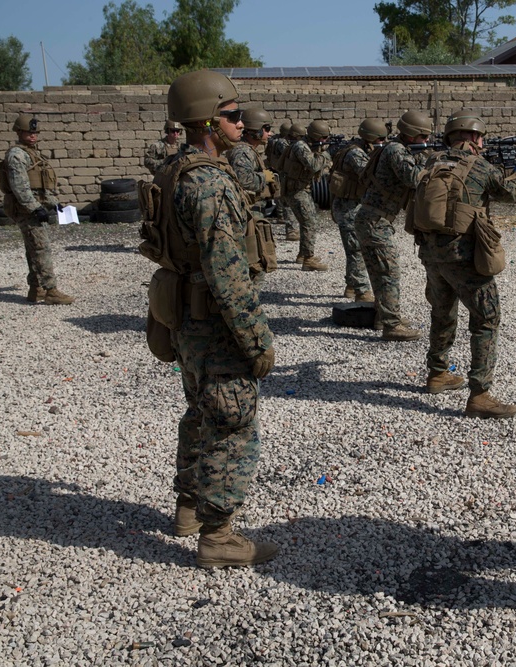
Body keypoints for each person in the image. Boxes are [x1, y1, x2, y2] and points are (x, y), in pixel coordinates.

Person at [155, 69, 278, 568]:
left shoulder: (174, 169)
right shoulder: (208, 184)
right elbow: (227, 274)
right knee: (232, 419)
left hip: (183, 316)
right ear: (207, 120)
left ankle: (188, 506)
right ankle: (219, 535)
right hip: (213, 320)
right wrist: (256, 339)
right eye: (232, 115)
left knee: (200, 409)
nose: (240, 122)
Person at [410, 109, 516, 418]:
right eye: (480, 137)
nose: (482, 143)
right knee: (486, 319)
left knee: (442, 313)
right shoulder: (479, 166)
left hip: (431, 254)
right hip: (464, 258)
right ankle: (480, 395)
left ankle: (437, 373)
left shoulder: (431, 162)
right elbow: (513, 194)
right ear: (471, 136)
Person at [354, 110, 433, 341]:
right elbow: (414, 178)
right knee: (389, 272)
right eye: (422, 138)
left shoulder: (395, 149)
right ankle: (392, 326)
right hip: (375, 221)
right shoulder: (397, 151)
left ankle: (384, 316)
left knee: (380, 272)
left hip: (373, 219)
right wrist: (432, 164)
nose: (425, 142)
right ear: (411, 135)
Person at [0, 113, 75, 305]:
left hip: (34, 206)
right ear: (19, 132)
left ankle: (36, 288)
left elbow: (41, 185)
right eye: (28, 133)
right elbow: (20, 187)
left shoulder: (33, 153)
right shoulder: (16, 155)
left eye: (35, 133)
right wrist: (34, 208)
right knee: (41, 248)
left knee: (33, 247)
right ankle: (51, 291)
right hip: (25, 209)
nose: (33, 136)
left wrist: (54, 203)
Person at [328, 118, 386, 301]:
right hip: (349, 207)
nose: (381, 144)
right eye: (380, 140)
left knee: (353, 248)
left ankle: (351, 286)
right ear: (370, 138)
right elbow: (369, 176)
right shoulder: (356, 154)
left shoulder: (355, 148)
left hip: (348, 205)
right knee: (356, 250)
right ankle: (362, 291)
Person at [226, 106, 279, 292]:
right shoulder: (243, 152)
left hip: (252, 211)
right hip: (246, 213)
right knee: (253, 262)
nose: (269, 132)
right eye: (266, 128)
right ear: (255, 130)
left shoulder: (249, 150)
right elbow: (244, 180)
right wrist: (264, 177)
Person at [281, 120, 333, 271]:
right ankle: (308, 260)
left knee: (307, 221)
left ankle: (303, 255)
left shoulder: (304, 145)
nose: (325, 141)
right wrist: (325, 154)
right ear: (317, 137)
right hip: (296, 191)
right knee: (309, 222)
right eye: (323, 138)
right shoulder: (301, 146)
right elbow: (313, 165)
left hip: (300, 189)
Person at [266, 121, 300, 241]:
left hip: (276, 170)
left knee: (279, 196)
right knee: (286, 201)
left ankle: (281, 216)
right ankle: (291, 230)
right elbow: (290, 155)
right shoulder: (282, 143)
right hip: (282, 172)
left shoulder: (274, 140)